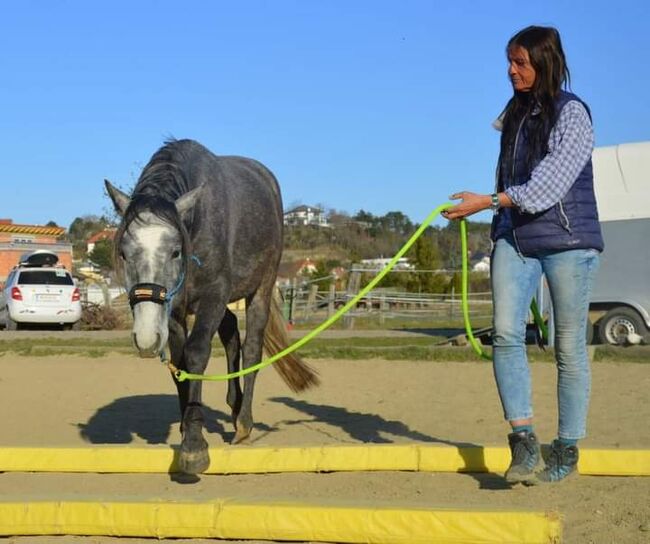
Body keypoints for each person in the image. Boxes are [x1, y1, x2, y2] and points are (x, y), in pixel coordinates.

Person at [442, 25, 603, 485]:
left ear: (545, 62)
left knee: (567, 347)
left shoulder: (573, 114)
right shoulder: (512, 115)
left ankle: (567, 448)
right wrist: (494, 219)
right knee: (507, 335)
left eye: (521, 63)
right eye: (509, 63)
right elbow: (508, 177)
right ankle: (524, 443)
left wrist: (488, 202)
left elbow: (549, 185)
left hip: (568, 242)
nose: (512, 72)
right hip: (515, 237)